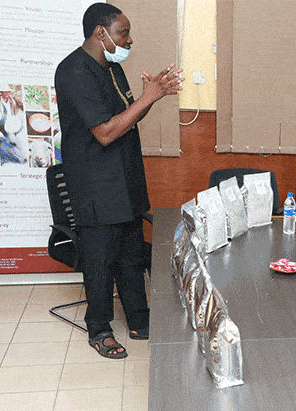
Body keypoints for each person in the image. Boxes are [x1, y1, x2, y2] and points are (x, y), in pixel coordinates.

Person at [54, 3, 182, 359]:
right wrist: (147, 98)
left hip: (124, 181)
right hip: (95, 185)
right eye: (123, 32)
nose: (129, 39)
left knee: (131, 254)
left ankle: (140, 320)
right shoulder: (73, 72)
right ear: (100, 33)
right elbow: (106, 133)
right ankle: (99, 328)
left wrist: (150, 97)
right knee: (99, 260)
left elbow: (127, 118)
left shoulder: (114, 68)